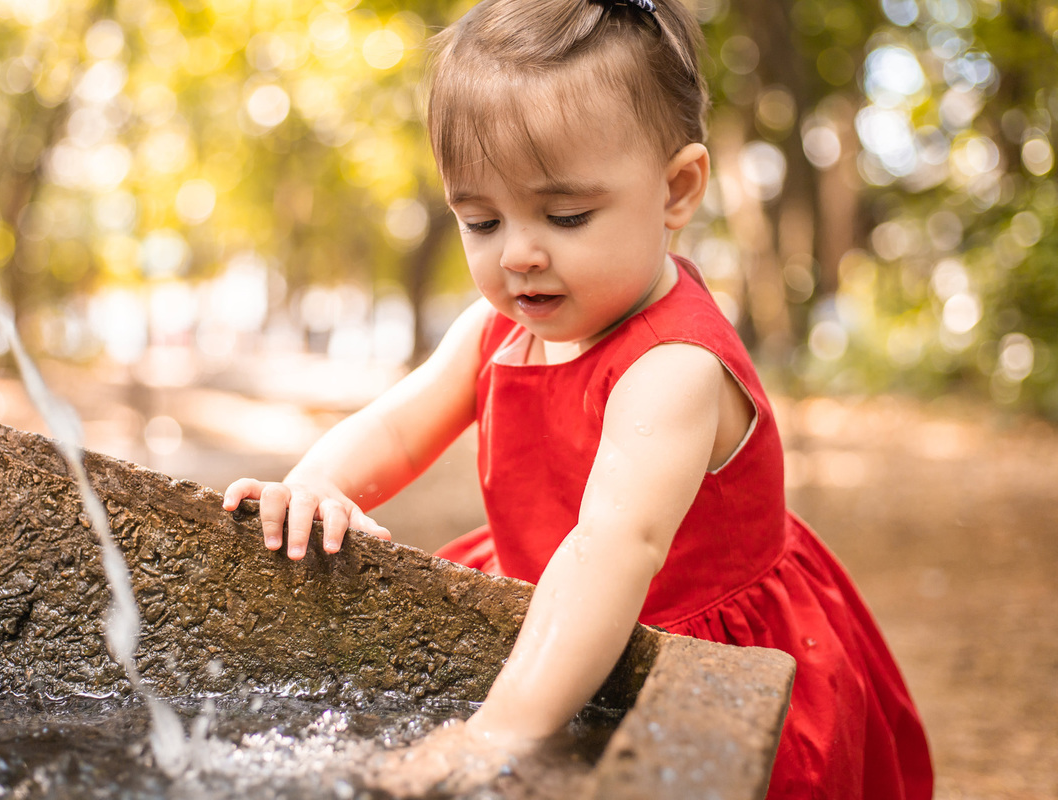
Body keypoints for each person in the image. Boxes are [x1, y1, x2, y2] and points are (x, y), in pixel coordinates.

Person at [223, 0, 933, 796]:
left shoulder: (672, 366)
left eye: (565, 216)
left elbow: (611, 549)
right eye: (481, 222)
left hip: (690, 638)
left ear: (677, 190)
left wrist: (499, 729)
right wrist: (319, 482)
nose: (519, 254)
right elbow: (395, 427)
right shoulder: (497, 329)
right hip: (556, 605)